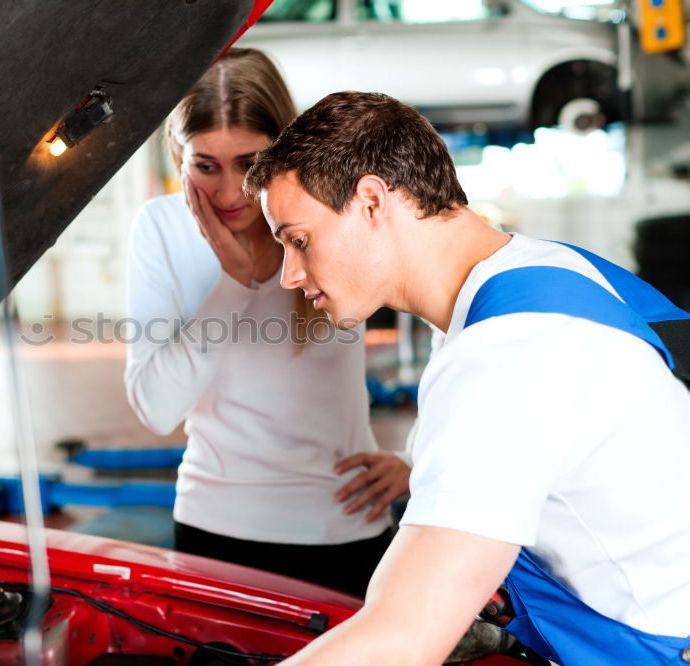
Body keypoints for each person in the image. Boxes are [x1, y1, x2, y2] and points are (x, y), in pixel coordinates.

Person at [244, 91, 690, 664]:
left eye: (298, 239)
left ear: (373, 201)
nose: (289, 274)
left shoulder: (506, 354)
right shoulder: (539, 269)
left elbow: (402, 638)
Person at [123, 49, 411, 597]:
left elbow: (454, 322)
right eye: (205, 166)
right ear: (177, 155)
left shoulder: (342, 213)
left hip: (343, 525)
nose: (231, 193)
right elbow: (156, 409)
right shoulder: (161, 227)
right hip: (216, 526)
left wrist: (418, 457)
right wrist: (235, 281)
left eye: (250, 164)